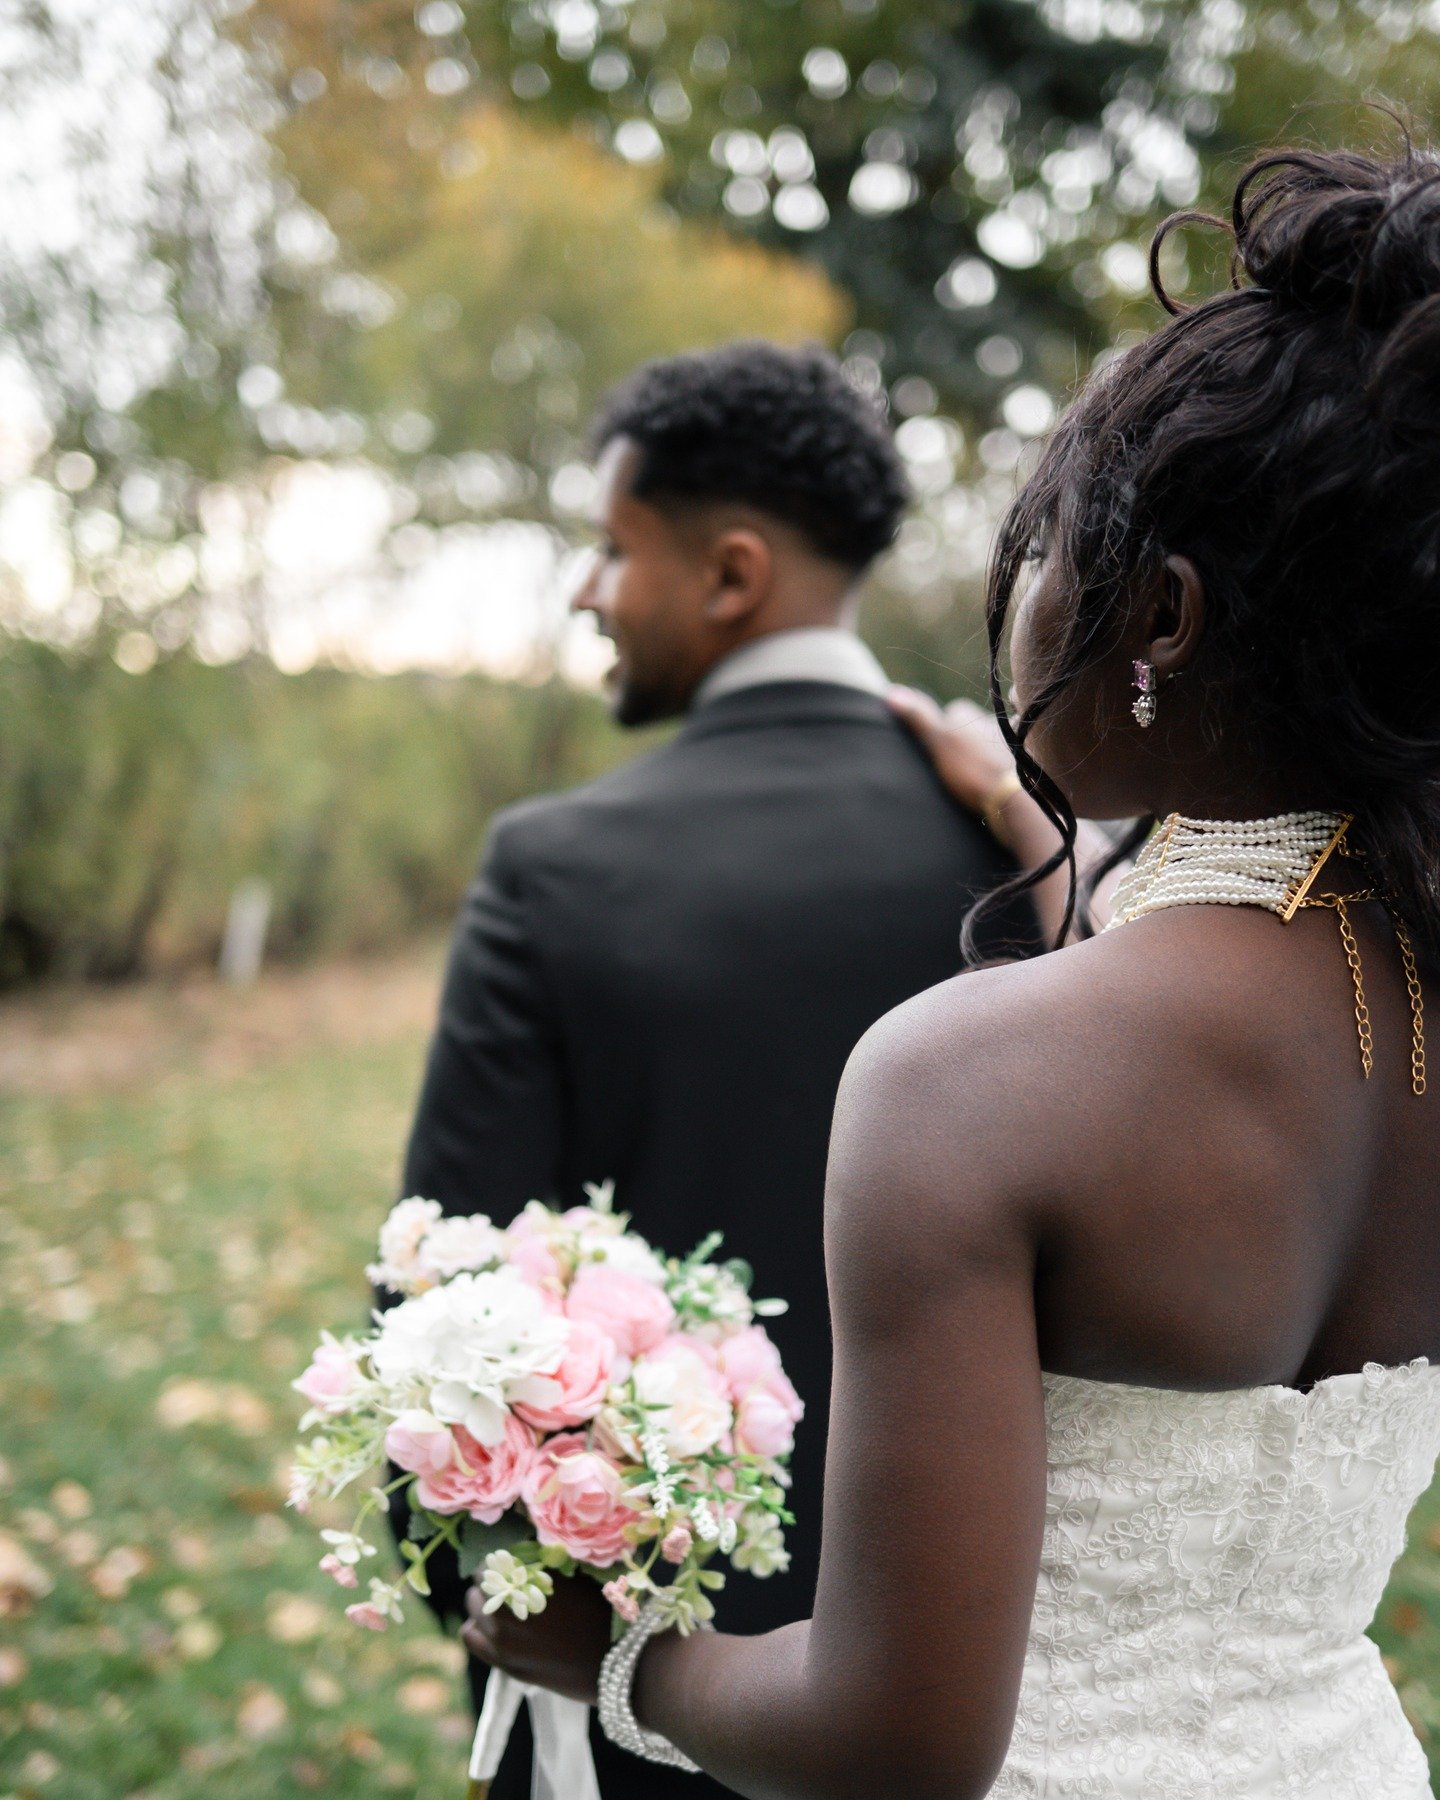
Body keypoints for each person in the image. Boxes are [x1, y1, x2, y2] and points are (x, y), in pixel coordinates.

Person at [462, 145, 1440, 1799]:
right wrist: (1034, 835)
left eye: (1048, 549)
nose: (1027, 599)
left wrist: (614, 1661)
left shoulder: (962, 1082)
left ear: (1166, 620)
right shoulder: (1398, 998)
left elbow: (896, 1743)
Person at [400, 340, 1034, 1797]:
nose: (584, 592)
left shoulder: (552, 868)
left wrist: (482, 1584)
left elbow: (446, 1299)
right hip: (969, 1670)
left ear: (731, 576)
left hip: (634, 1668)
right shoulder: (1024, 859)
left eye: (610, 550)